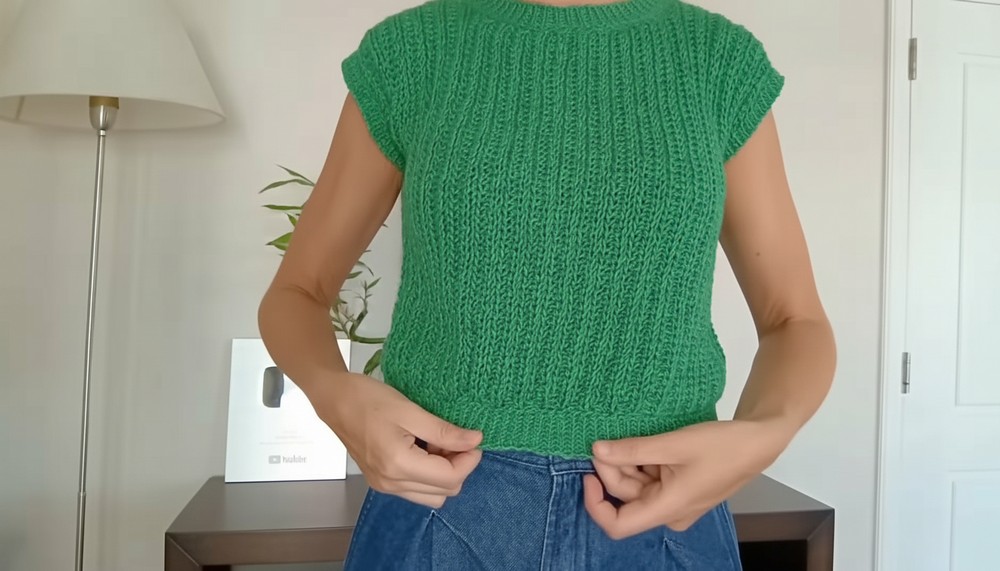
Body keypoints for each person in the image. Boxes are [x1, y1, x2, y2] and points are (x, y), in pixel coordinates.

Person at [257, 0, 837, 568]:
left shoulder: (716, 61)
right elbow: (297, 292)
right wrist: (333, 394)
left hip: (659, 508)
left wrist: (766, 432)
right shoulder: (413, 54)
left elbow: (794, 320)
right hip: (440, 502)